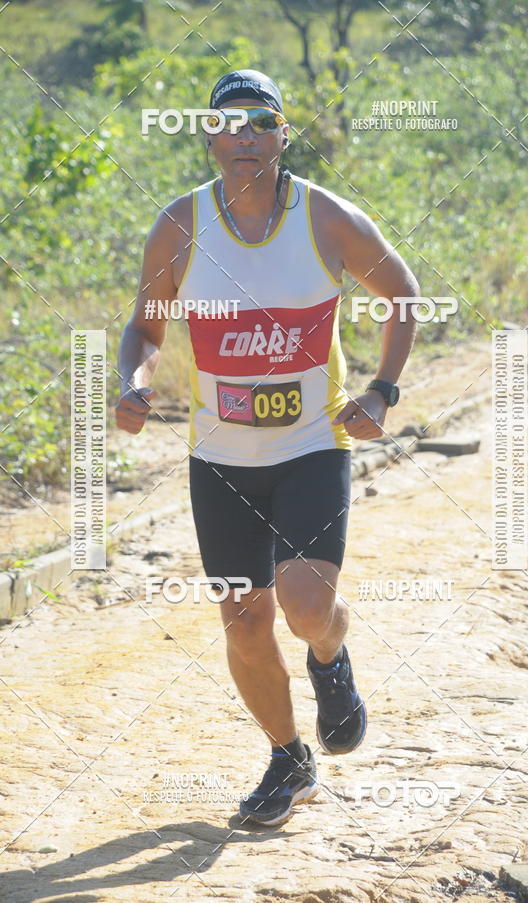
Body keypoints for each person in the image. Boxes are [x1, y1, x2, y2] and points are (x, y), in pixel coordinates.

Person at [115, 69, 419, 827]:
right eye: (229, 122)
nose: (244, 135)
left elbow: (404, 295)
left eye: (260, 121)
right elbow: (145, 327)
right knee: (245, 622)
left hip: (314, 444)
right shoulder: (180, 225)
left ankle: (329, 657)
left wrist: (381, 391)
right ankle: (289, 759)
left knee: (306, 607)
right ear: (209, 137)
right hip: (220, 460)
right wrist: (133, 382)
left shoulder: (326, 219)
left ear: (284, 135)